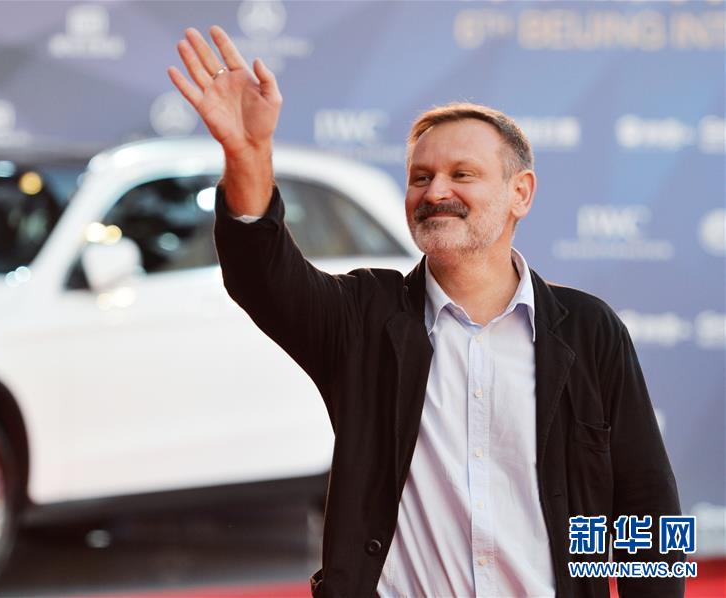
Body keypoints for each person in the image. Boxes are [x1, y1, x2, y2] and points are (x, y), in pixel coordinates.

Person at [168, 26, 684, 598]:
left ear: (521, 193)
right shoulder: (362, 318)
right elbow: (262, 275)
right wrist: (247, 155)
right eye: (420, 177)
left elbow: (648, 507)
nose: (436, 191)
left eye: (462, 174)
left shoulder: (589, 329)